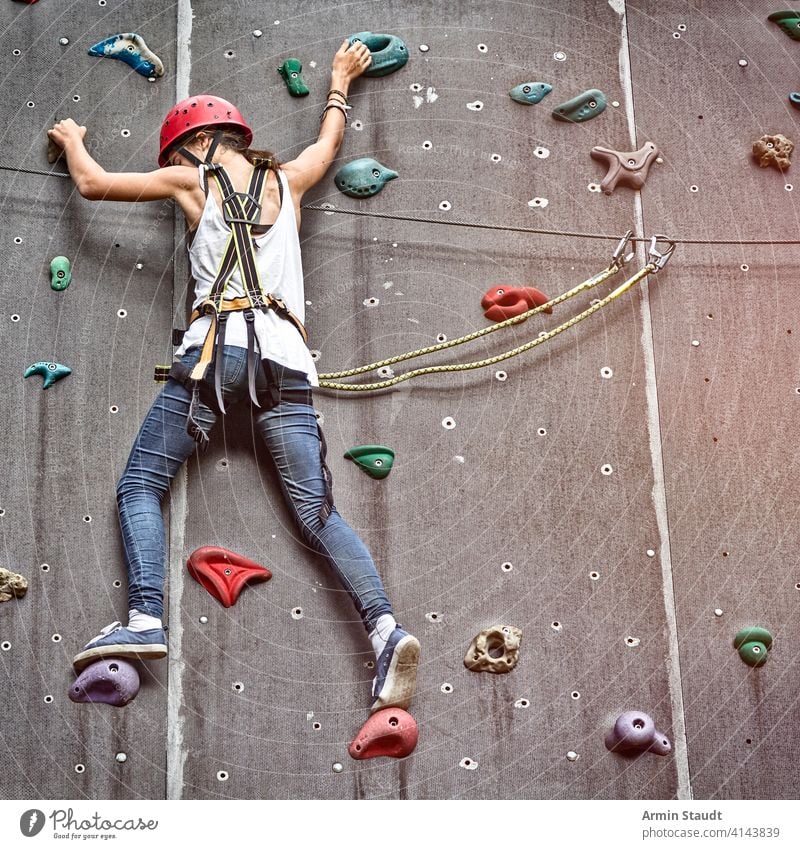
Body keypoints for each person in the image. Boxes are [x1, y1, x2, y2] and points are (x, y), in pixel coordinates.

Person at [48, 39, 419, 713]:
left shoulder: (193, 180)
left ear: (193, 146)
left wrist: (74, 137)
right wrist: (340, 80)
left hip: (216, 356)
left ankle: (145, 616)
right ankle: (386, 627)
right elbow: (328, 142)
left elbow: (95, 184)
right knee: (317, 512)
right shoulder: (290, 179)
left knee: (140, 485)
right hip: (288, 365)